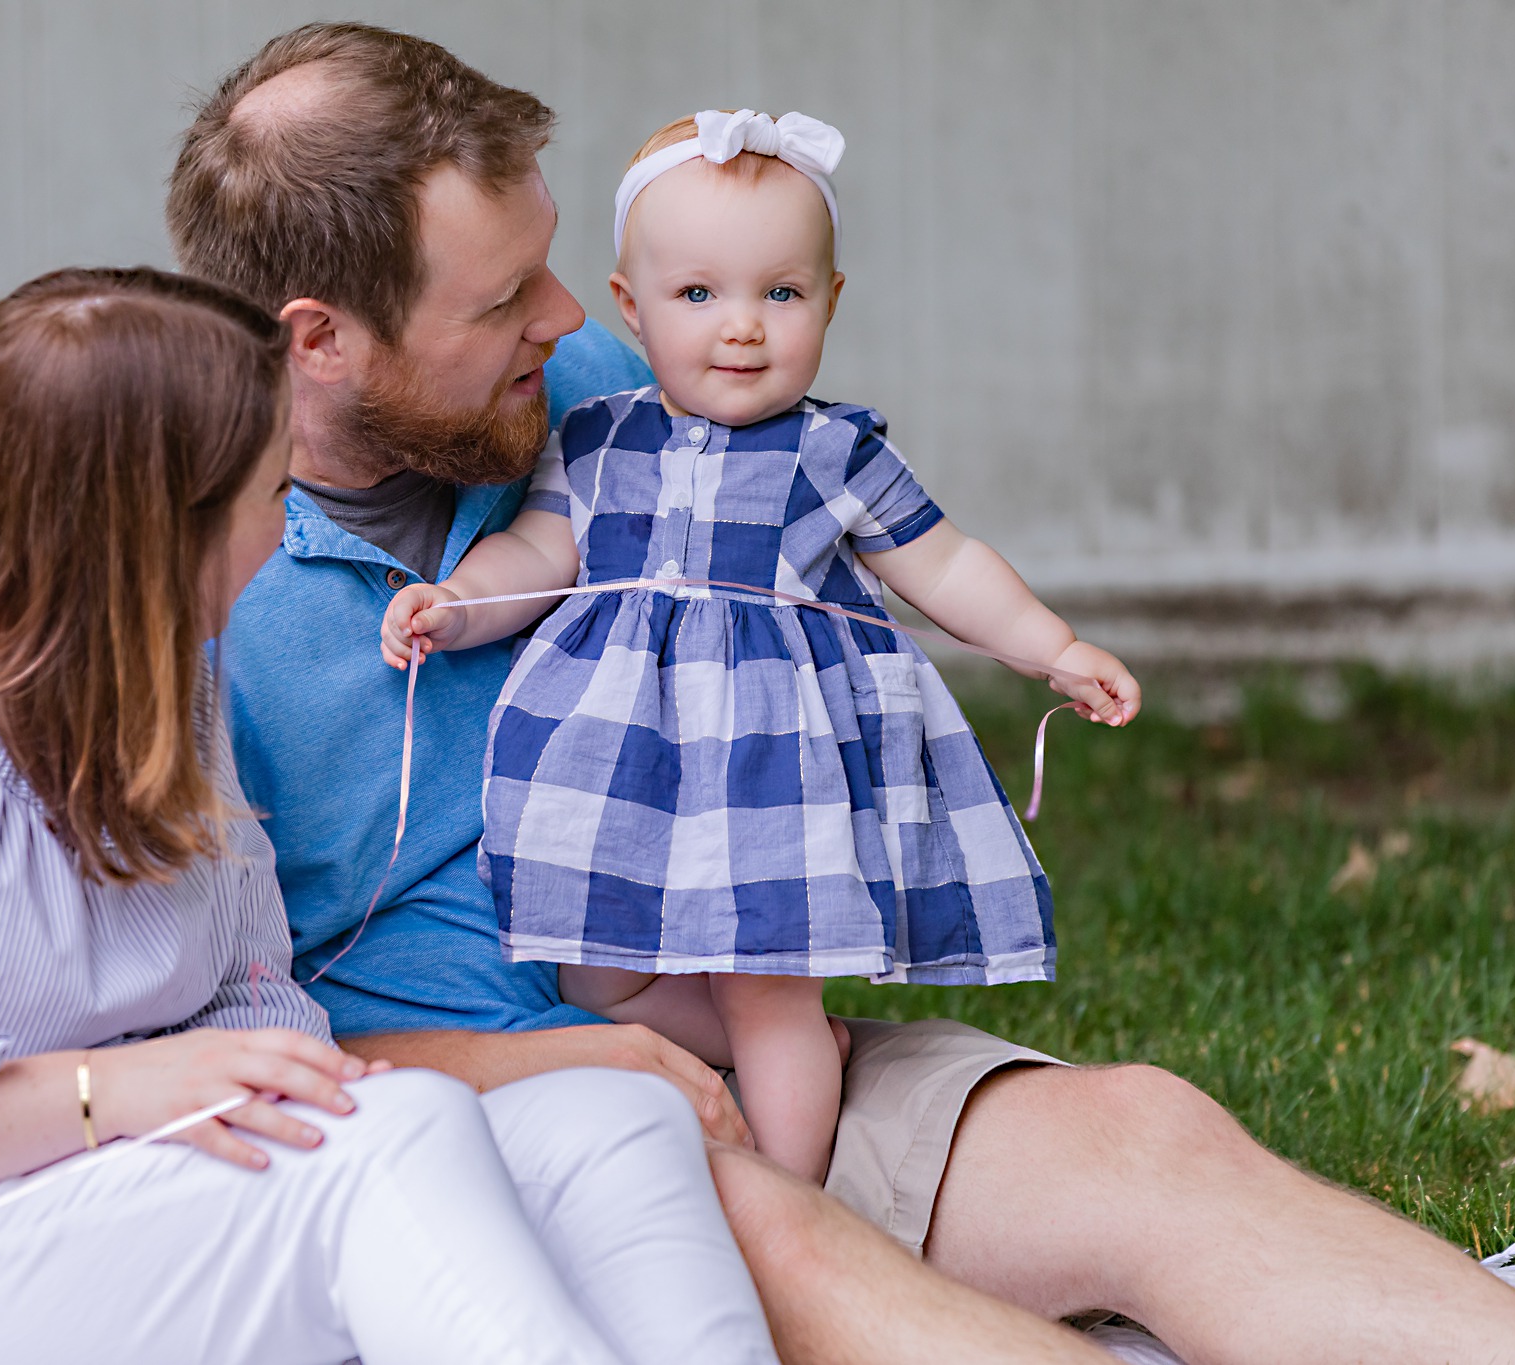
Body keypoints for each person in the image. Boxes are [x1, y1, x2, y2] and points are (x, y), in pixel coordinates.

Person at [174, 21, 1515, 1364]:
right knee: (792, 1248)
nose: (567, 314)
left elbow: (879, 548)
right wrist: (525, 1075)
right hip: (479, 1123)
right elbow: (170, 1048)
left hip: (750, 1011)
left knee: (1146, 1134)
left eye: (553, 271)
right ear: (321, 340)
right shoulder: (182, 604)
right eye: (501, 301)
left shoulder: (614, 392)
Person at [0, 268, 780, 1365]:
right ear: (159, 522)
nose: (287, 522)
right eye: (268, 492)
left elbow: (245, 989)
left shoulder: (167, 674)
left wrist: (250, 1076)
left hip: (97, 1192)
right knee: (391, 1144)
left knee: (604, 1123)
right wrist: (118, 1097)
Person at [379, 107, 1140, 1182]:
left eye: (778, 294)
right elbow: (538, 555)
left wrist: (1049, 647)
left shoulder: (832, 450)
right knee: (596, 971)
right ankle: (779, 1059)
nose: (740, 328)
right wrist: (454, 601)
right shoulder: (594, 437)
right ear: (629, 310)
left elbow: (943, 563)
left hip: (773, 760)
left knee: (764, 978)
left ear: (828, 303)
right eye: (697, 295)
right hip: (631, 761)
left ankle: (792, 1186)